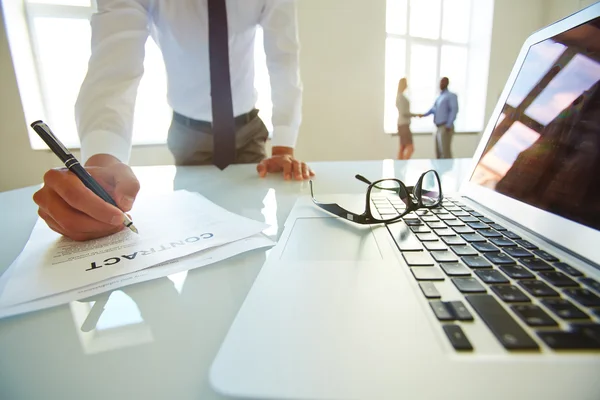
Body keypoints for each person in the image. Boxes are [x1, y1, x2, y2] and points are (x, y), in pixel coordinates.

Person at [32, 0, 314, 241]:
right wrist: (102, 165)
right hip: (188, 134)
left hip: (248, 130)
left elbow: (284, 58)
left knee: (253, 223)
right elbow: (113, 67)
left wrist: (283, 148)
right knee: (197, 229)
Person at [418, 77, 459, 159]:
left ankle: (448, 171)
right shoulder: (439, 97)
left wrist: (449, 124)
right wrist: (423, 115)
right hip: (437, 127)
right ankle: (439, 171)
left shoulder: (451, 96)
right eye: (440, 82)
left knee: (445, 152)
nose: (440, 84)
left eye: (442, 82)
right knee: (438, 152)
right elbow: (433, 109)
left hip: (445, 127)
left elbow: (454, 110)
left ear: (447, 83)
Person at [395, 78, 414, 160]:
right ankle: (403, 164)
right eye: (406, 83)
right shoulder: (400, 97)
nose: (407, 85)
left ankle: (398, 168)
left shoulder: (400, 96)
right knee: (410, 147)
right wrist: (416, 115)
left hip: (401, 124)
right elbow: (404, 113)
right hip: (404, 124)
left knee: (402, 147)